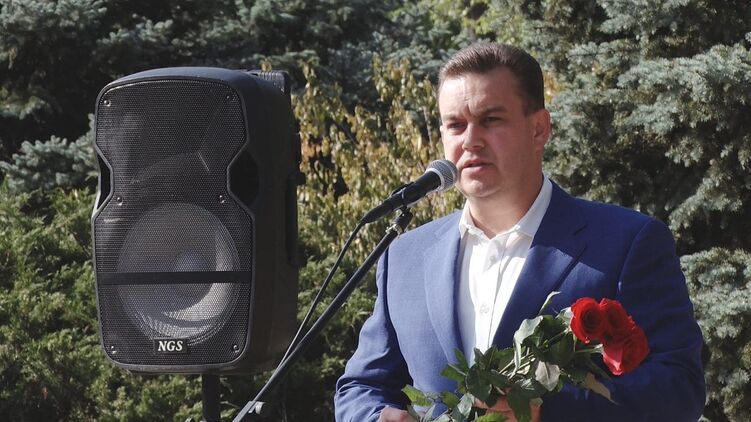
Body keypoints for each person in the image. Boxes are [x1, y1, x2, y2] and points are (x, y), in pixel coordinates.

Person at [334, 42, 705, 422]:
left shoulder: (626, 242)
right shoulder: (405, 257)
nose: (471, 140)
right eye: (456, 125)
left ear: (539, 129)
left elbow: (680, 388)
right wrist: (373, 417)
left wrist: (546, 412)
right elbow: (360, 387)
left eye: (491, 120)